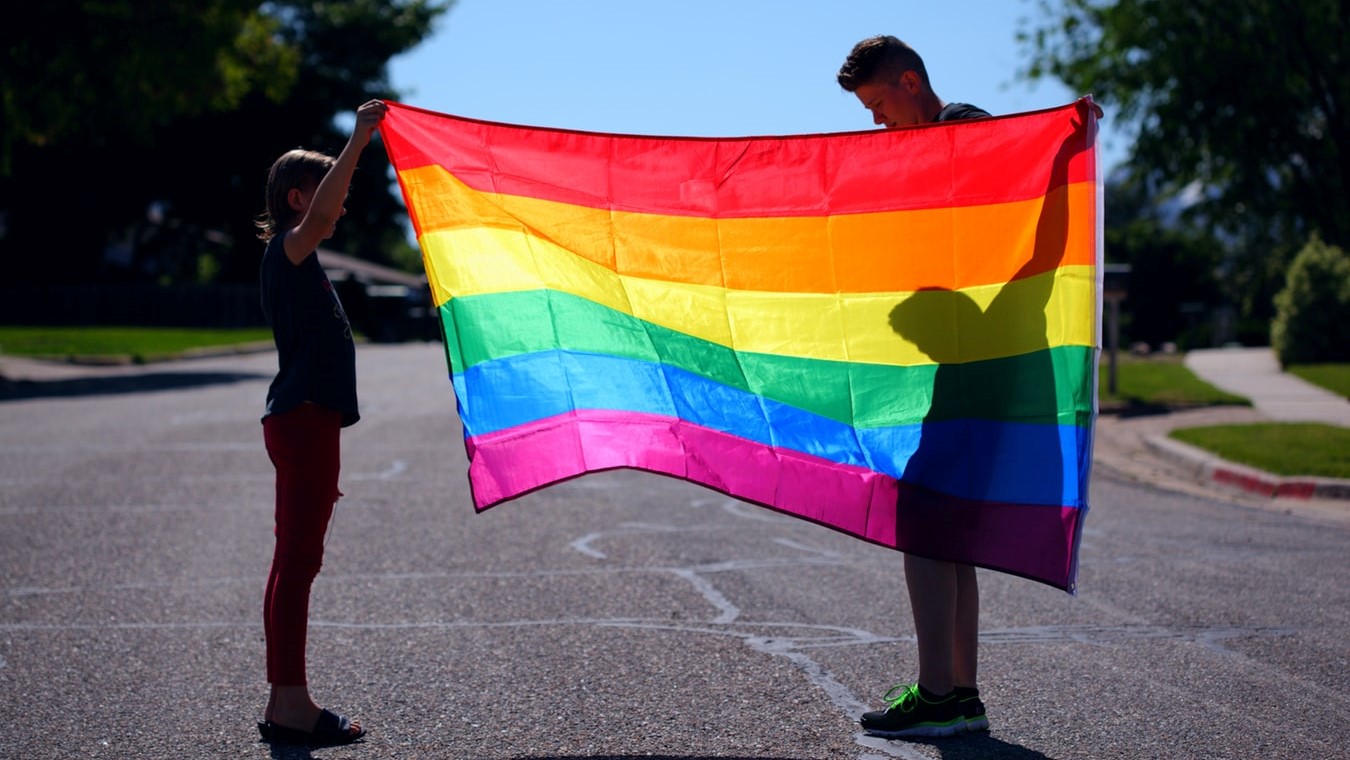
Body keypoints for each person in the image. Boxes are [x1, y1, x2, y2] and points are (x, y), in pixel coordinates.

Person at [836, 35, 992, 740]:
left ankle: (938, 695)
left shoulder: (959, 130)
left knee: (924, 521)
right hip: (966, 359)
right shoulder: (937, 143)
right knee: (947, 529)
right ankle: (959, 695)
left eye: (877, 105)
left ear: (908, 81)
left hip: (978, 358)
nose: (876, 123)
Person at [253, 99, 388, 746]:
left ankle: (287, 699)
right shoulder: (291, 246)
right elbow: (330, 207)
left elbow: (332, 205)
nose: (339, 205)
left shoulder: (299, 257)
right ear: (298, 197)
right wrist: (361, 138)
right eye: (326, 190)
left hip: (305, 419)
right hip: (304, 420)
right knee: (299, 562)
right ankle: (292, 707)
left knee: (293, 562)